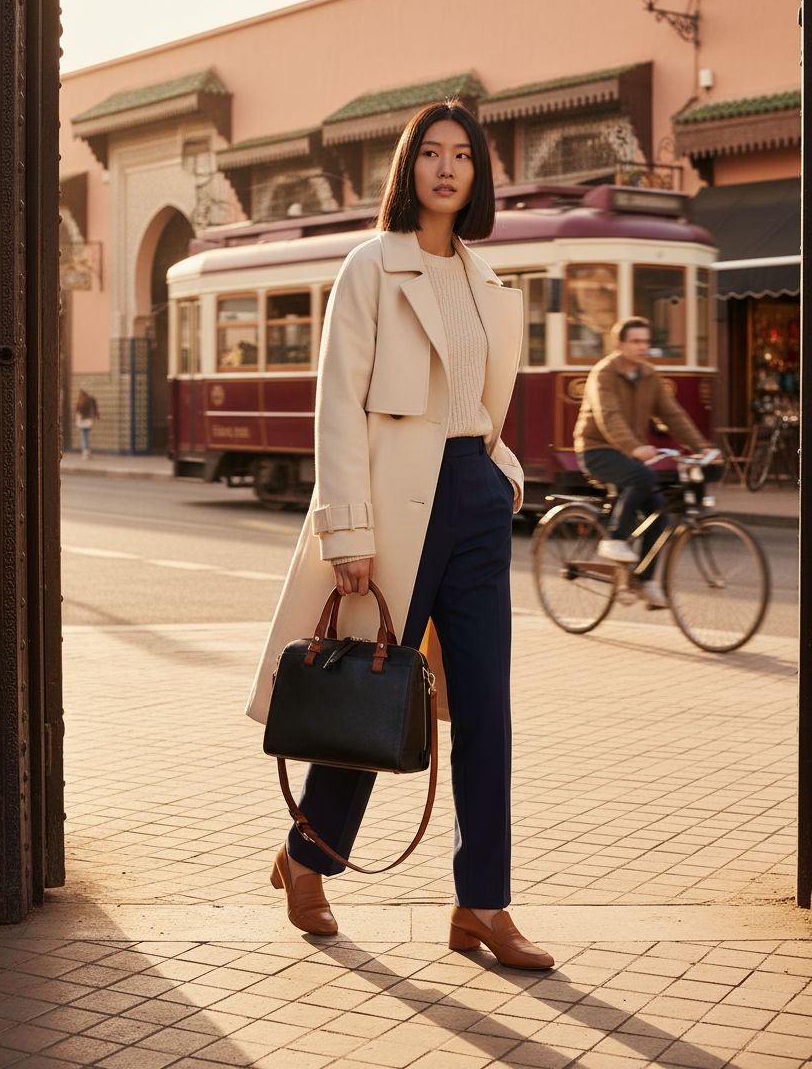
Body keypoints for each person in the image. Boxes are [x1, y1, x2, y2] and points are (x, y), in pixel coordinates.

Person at [245, 99, 553, 971]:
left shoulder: (489, 284)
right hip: (393, 503)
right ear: (409, 167)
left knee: (486, 708)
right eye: (432, 153)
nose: (448, 168)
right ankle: (310, 858)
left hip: (476, 500)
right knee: (372, 688)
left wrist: (501, 469)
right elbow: (337, 402)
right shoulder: (370, 268)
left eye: (463, 155)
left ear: (478, 174)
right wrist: (349, 528)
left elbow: (479, 407)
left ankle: (482, 904)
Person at [574, 316, 709, 608]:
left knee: (660, 512)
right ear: (620, 344)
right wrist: (635, 447)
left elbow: (672, 414)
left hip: (627, 452)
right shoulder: (604, 373)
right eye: (635, 341)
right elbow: (608, 416)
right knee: (641, 477)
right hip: (596, 449)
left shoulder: (649, 375)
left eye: (646, 341)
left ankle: (644, 581)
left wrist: (702, 447)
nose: (643, 347)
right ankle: (615, 539)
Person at [74, 387, 99, 459]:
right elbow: (93, 410)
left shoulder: (81, 401)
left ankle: (85, 452)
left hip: (82, 421)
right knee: (86, 436)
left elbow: (78, 412)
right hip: (88, 421)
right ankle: (87, 451)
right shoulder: (90, 400)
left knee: (84, 437)